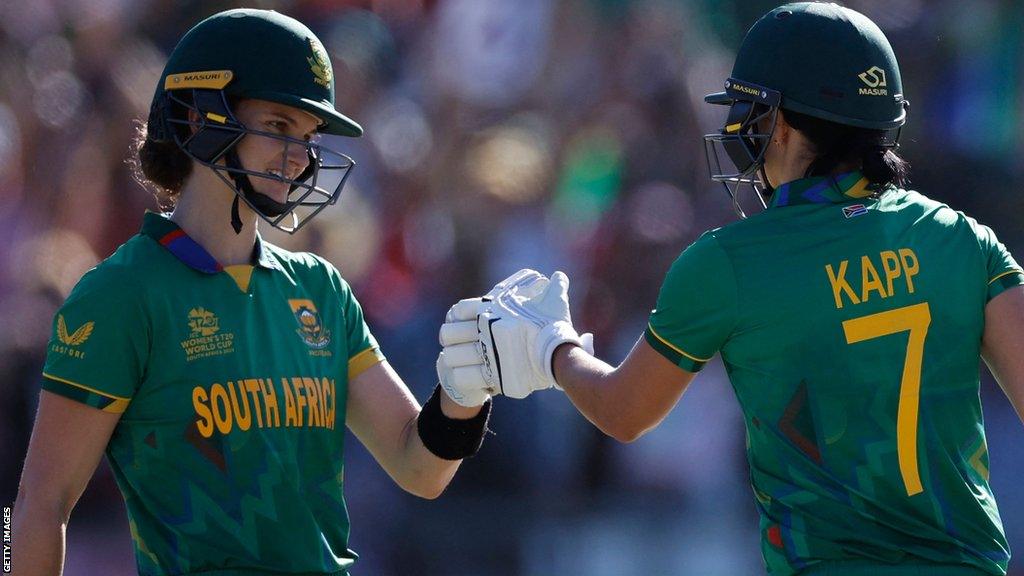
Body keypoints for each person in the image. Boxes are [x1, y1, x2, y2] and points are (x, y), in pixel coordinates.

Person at [437, 3, 1024, 575]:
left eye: (751, 110)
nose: (740, 127)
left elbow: (624, 411)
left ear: (787, 123)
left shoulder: (727, 261)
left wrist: (553, 349)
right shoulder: (962, 238)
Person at [12, 9, 500, 576]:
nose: (300, 157)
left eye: (309, 136)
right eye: (278, 126)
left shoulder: (321, 290)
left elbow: (420, 467)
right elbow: (33, 509)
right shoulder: (121, 295)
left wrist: (466, 388)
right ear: (199, 118)